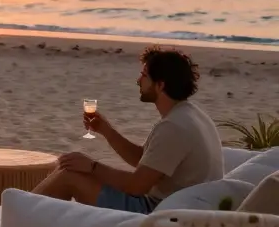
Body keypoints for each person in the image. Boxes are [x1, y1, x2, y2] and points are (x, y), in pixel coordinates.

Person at [32, 46, 223, 213]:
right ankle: (30, 219)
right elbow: (145, 161)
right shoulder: (191, 115)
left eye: (144, 75)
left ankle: (16, 216)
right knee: (72, 168)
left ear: (160, 84)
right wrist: (107, 131)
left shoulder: (174, 127)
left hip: (155, 212)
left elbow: (136, 186)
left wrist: (92, 166)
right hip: (174, 206)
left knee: (69, 176)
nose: (138, 80)